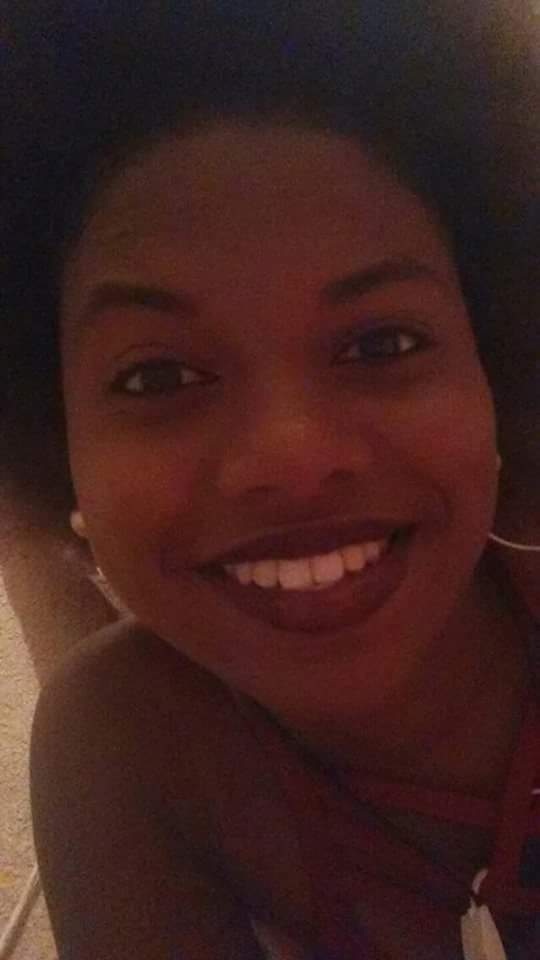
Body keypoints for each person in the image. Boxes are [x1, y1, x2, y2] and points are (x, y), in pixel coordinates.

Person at [2, 1, 539, 957]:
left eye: (382, 343)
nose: (292, 457)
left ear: (493, 364)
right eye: (158, 377)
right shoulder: (123, 750)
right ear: (55, 437)